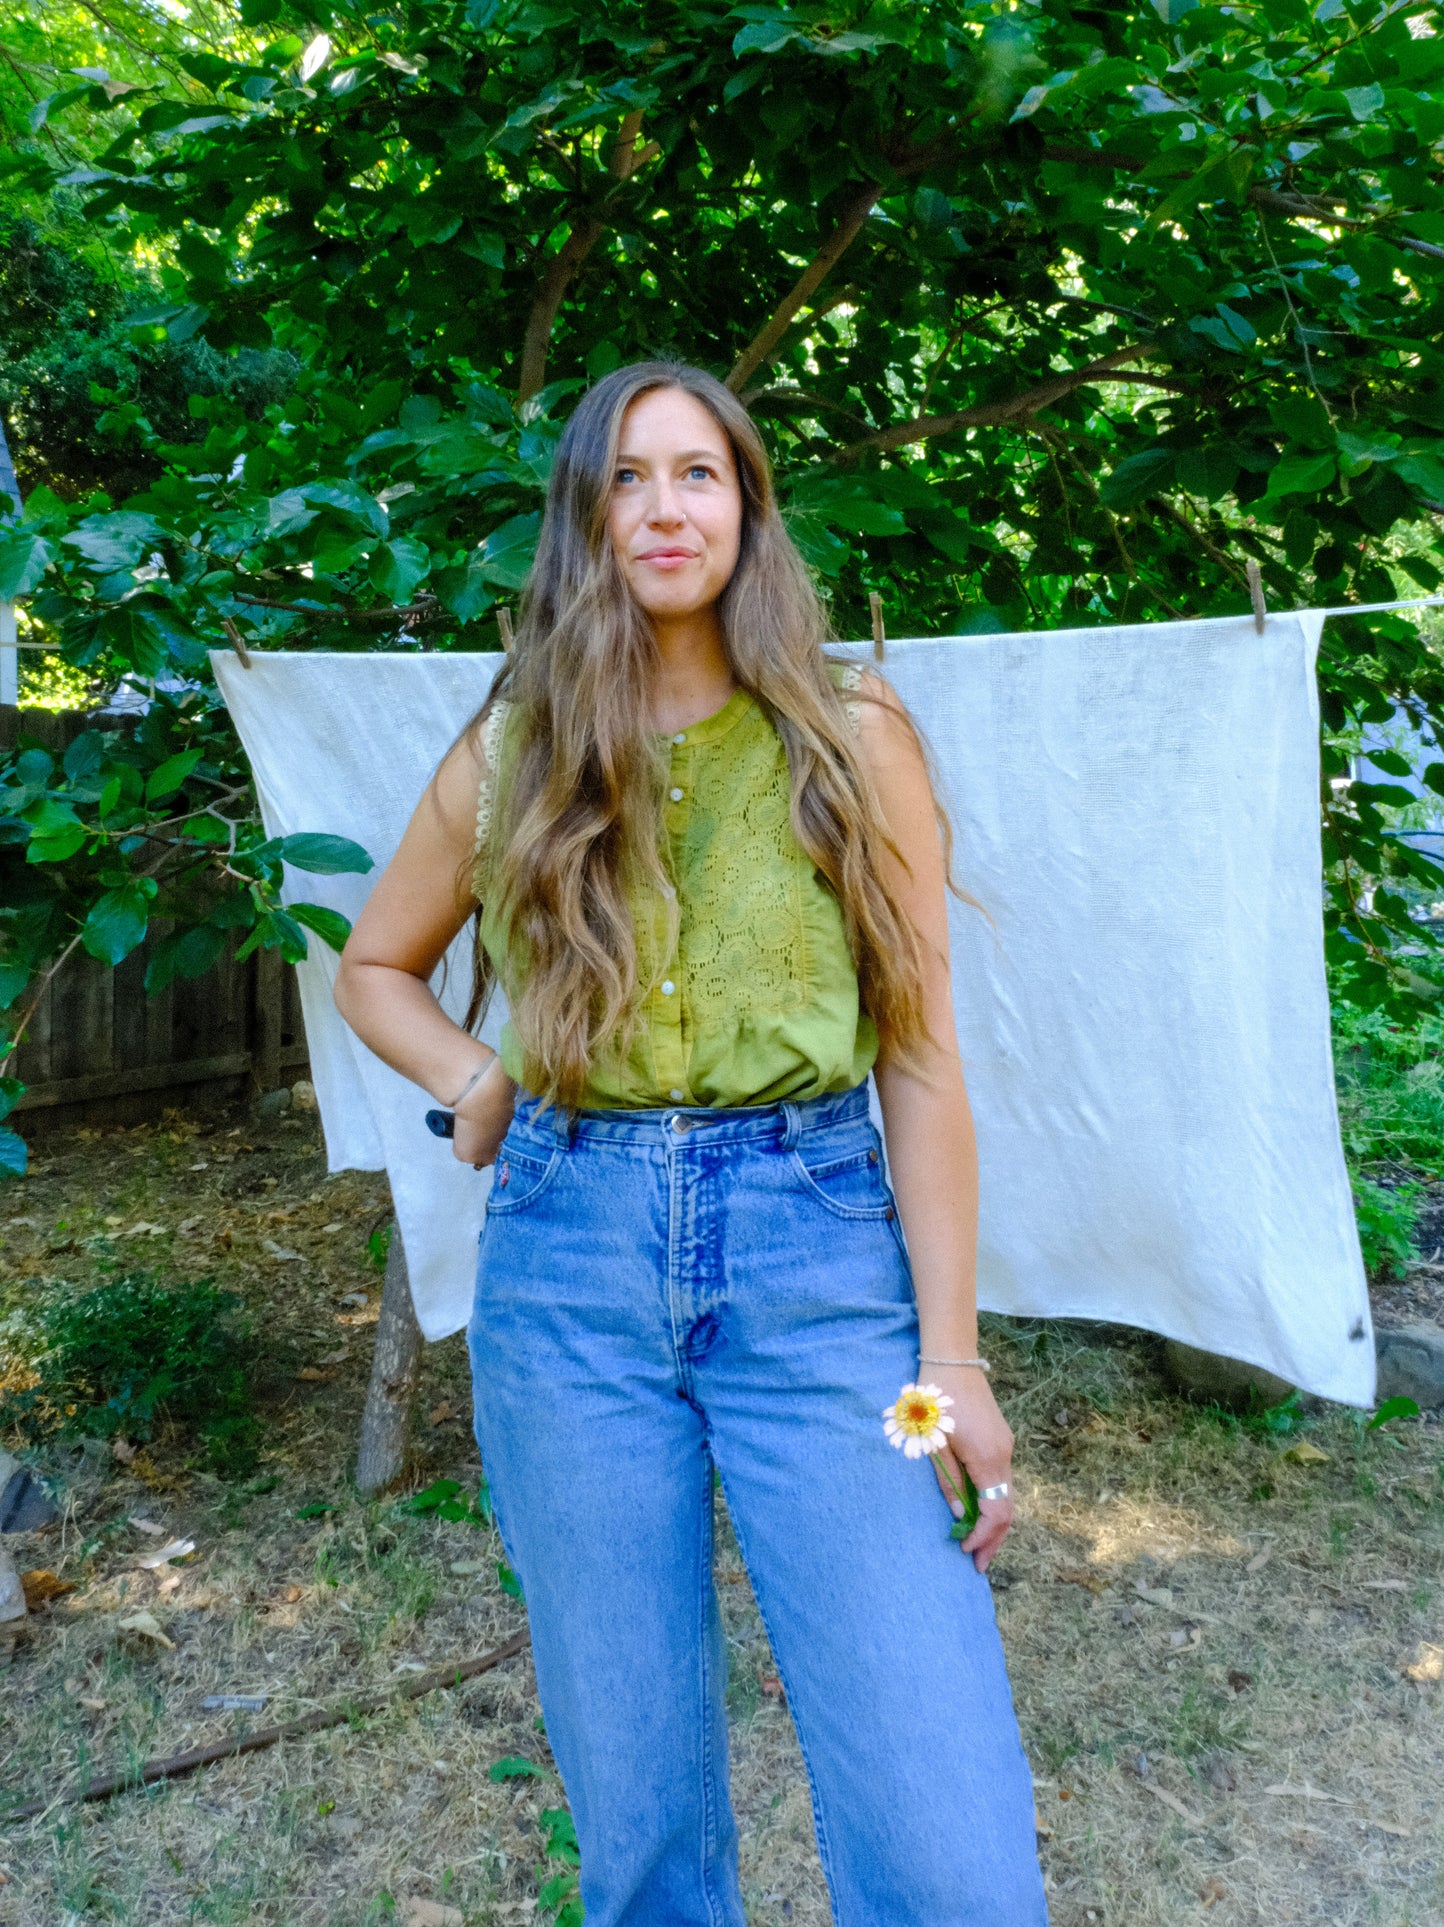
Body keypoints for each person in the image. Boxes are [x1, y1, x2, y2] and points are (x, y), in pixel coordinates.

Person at [334, 361, 1048, 1926]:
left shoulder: (850, 732)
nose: (663, 509)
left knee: (940, 1815)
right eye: (626, 479)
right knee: (639, 1801)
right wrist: (475, 1078)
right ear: (583, 519)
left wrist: (953, 1360)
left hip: (819, 1265)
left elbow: (922, 1061)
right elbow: (372, 967)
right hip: (565, 1276)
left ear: (746, 507)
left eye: (697, 474)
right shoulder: (515, 747)